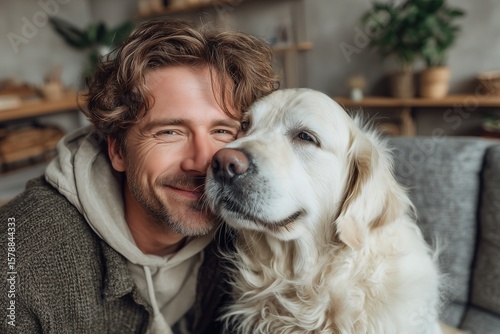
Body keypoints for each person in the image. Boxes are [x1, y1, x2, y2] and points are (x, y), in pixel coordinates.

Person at [0, 19, 277, 333]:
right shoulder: (18, 262)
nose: (203, 162)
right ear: (118, 149)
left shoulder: (245, 233)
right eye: (170, 131)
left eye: (222, 131)